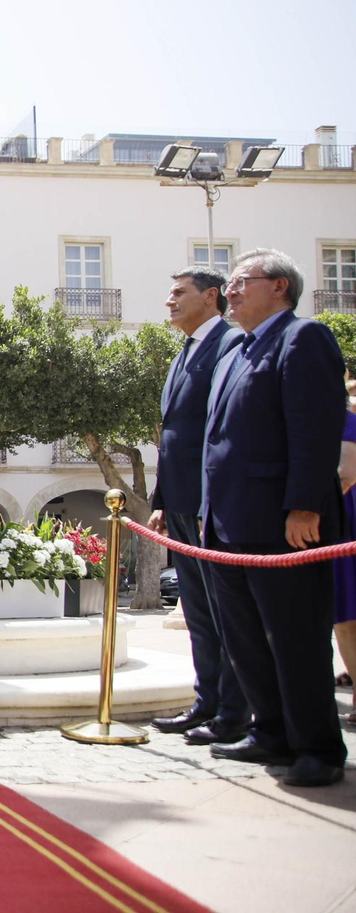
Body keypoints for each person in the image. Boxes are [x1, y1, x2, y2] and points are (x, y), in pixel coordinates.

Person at [201, 248, 348, 787]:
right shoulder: (234, 352)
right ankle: (272, 734)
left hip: (284, 523)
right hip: (228, 524)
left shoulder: (303, 338)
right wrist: (206, 511)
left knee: (296, 639)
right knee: (246, 640)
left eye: (243, 281)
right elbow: (218, 442)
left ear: (280, 286)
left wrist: (304, 504)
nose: (232, 291)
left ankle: (318, 748)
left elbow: (315, 428)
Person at [147, 267, 249, 745]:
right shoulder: (185, 351)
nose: (170, 301)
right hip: (184, 503)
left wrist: (211, 501)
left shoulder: (228, 344)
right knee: (200, 615)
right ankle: (207, 702)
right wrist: (163, 500)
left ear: (211, 297)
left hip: (211, 505)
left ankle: (234, 712)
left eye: (178, 293)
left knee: (224, 613)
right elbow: (174, 436)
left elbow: (221, 430)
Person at [334, 376, 356, 722]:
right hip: (337, 529)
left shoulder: (348, 422)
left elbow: (345, 475)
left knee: (347, 616)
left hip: (344, 520)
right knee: (344, 615)